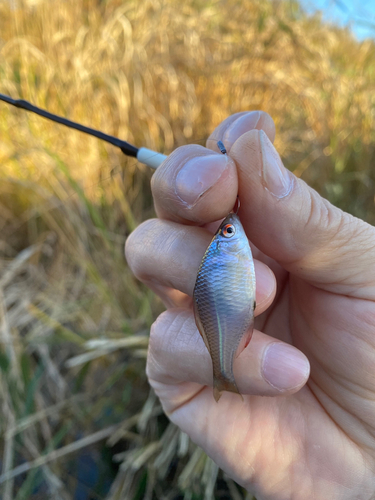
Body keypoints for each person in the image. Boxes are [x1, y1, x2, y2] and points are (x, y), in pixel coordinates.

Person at [125, 111, 375, 499]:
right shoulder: (231, 249)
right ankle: (223, 371)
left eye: (227, 229)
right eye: (228, 230)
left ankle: (224, 370)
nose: (232, 229)